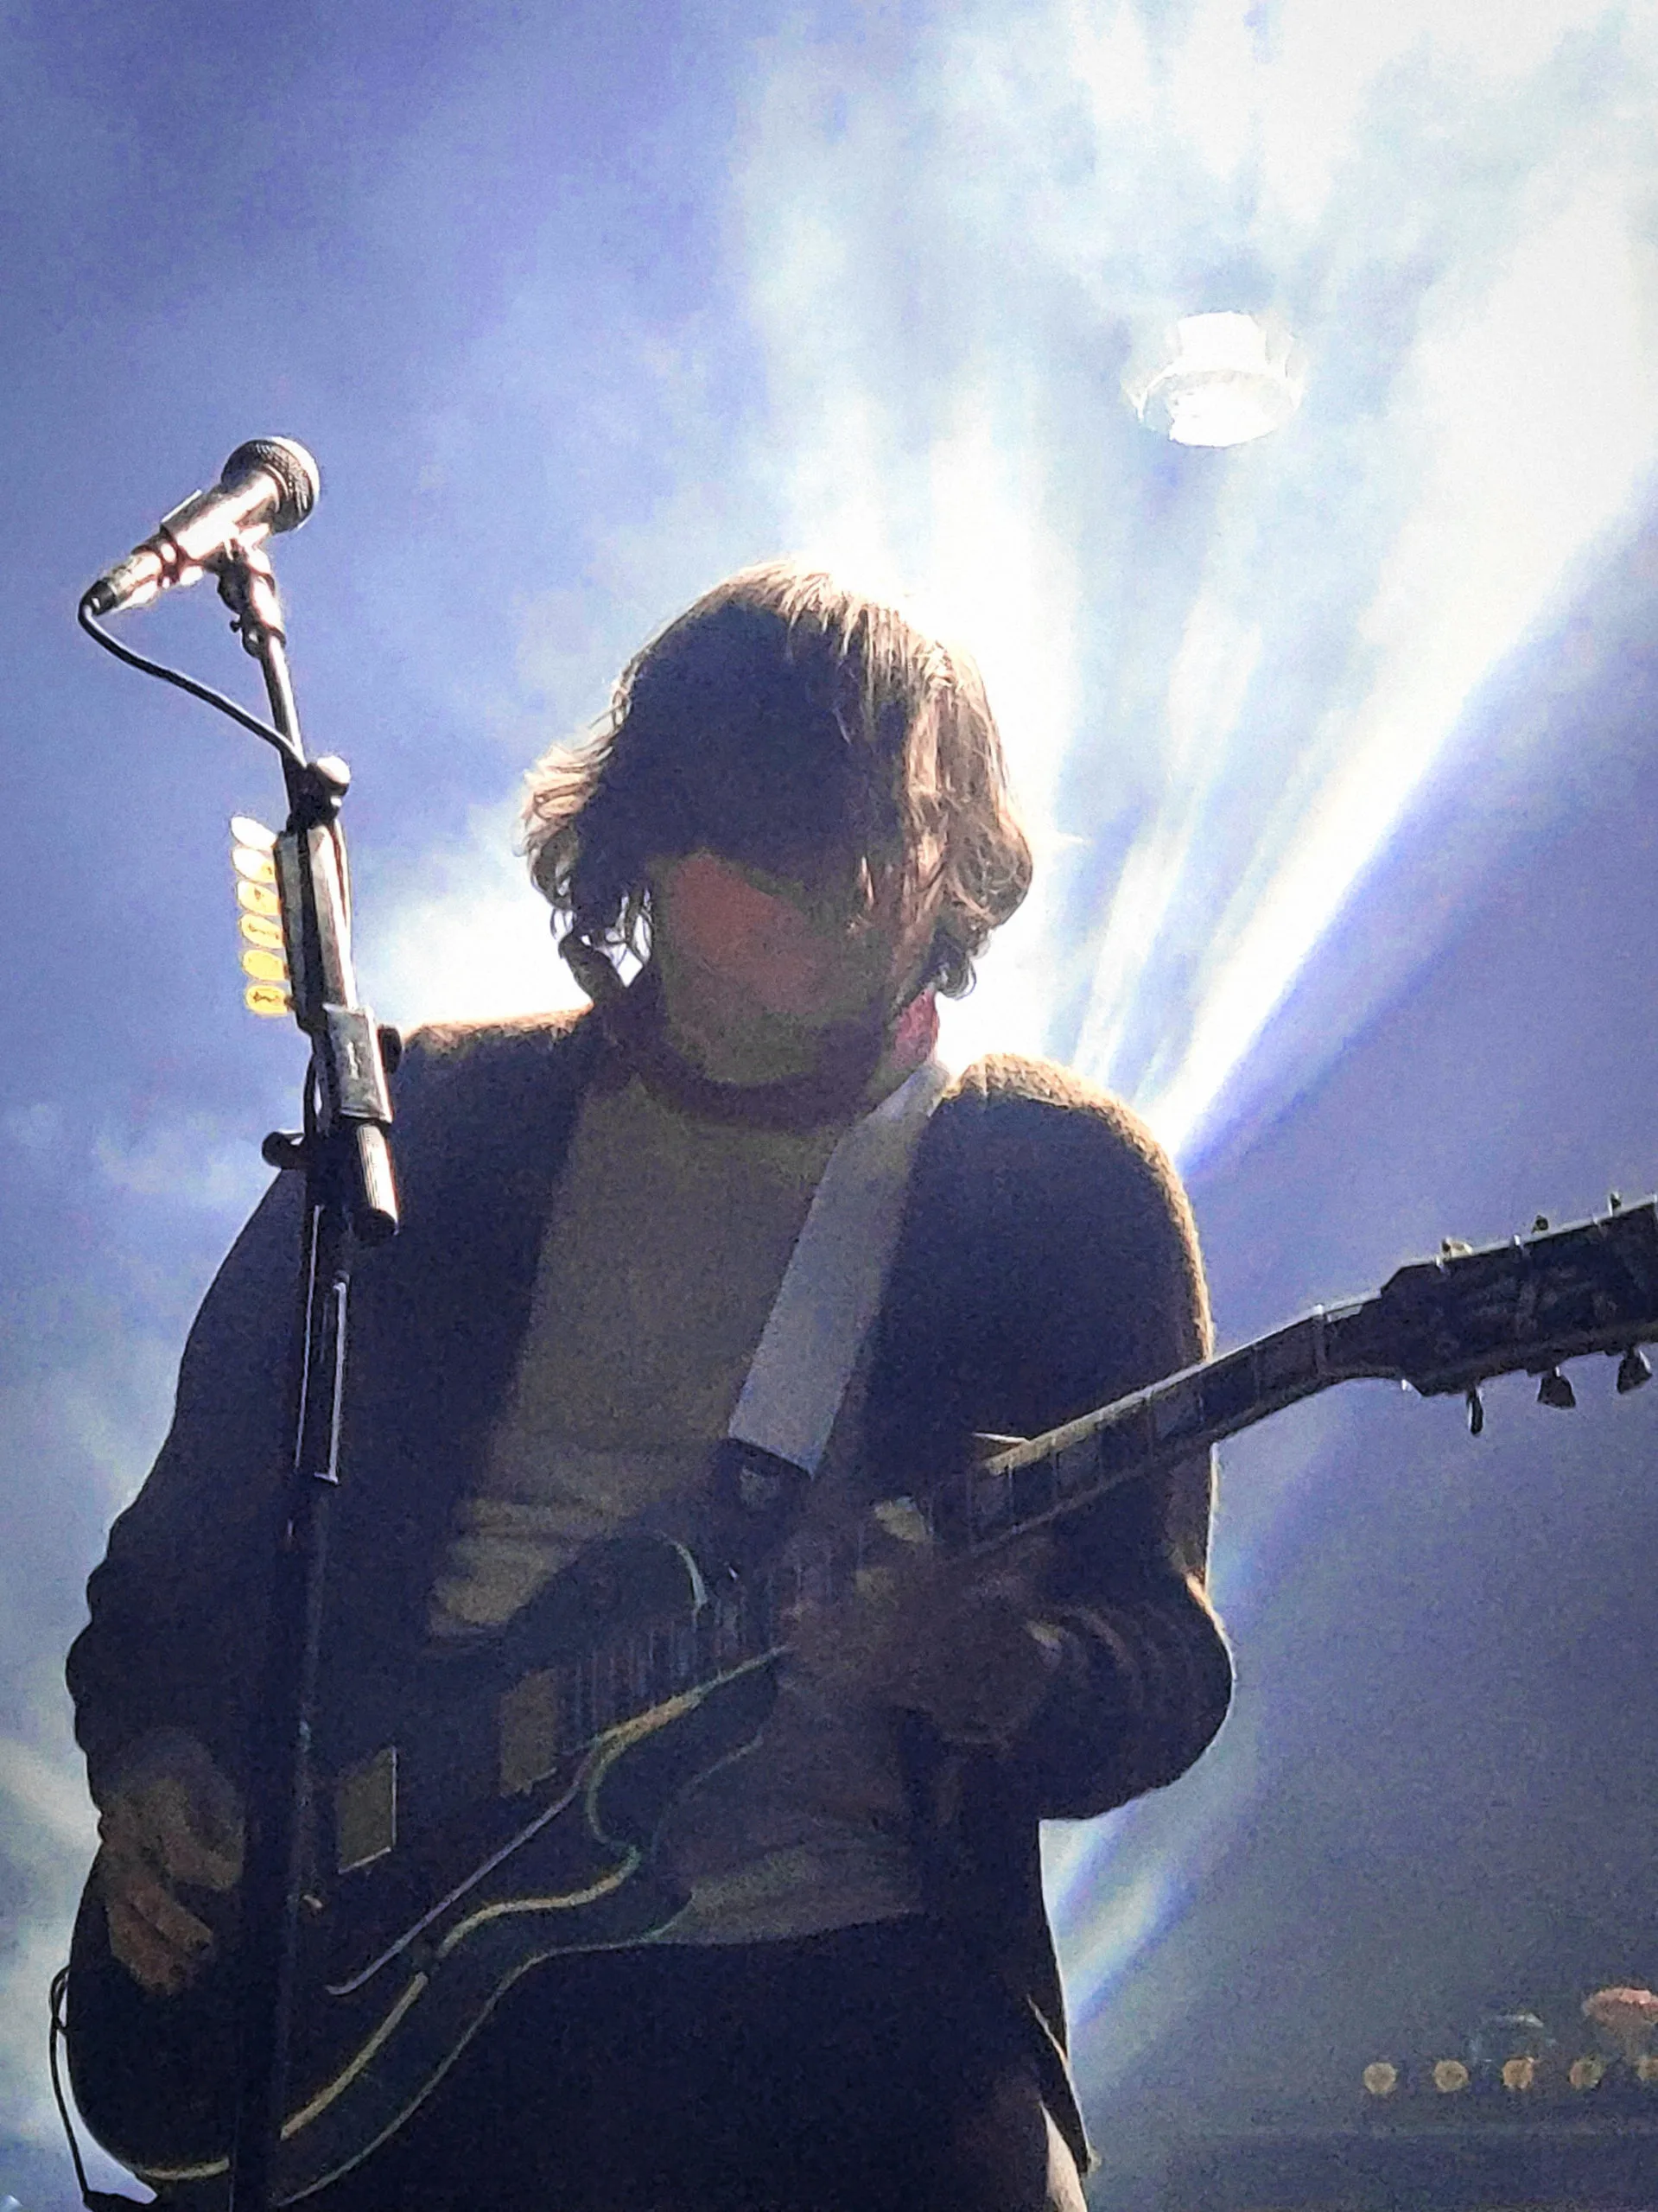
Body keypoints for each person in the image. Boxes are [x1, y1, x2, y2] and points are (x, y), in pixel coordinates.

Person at [67, 563, 1231, 2212]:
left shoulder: (1059, 1183)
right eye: (770, 845)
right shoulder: (430, 1125)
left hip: (847, 1977)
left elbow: (1161, 1666)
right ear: (646, 848)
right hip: (362, 1972)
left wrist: (986, 1663)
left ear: (953, 852)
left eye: (885, 838)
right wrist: (157, 1754)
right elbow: (187, 1542)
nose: (841, 898)